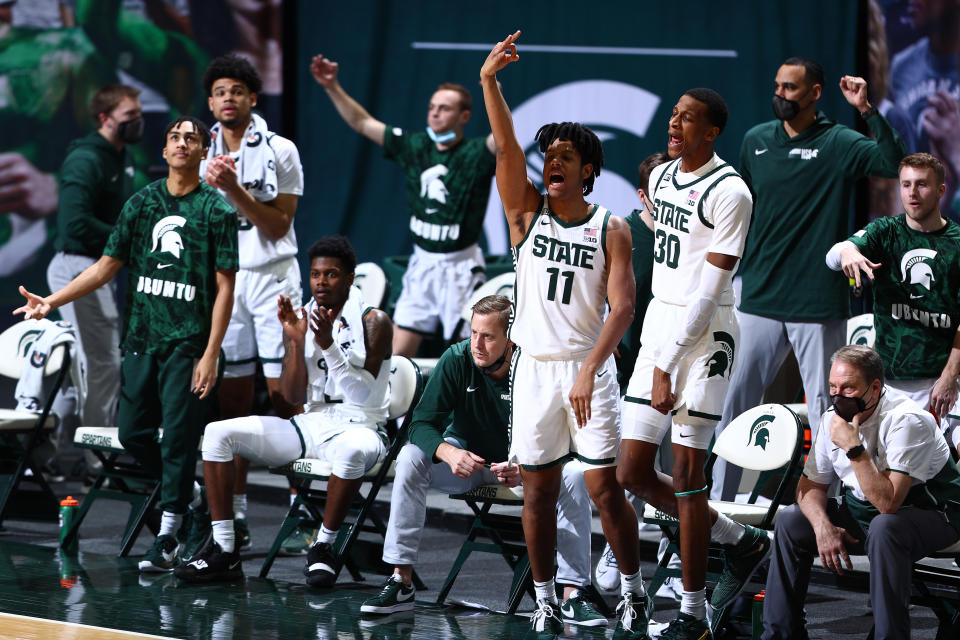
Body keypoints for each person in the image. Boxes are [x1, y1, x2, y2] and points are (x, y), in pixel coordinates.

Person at [15, 116, 239, 573]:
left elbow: (225, 288)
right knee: (134, 433)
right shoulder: (141, 204)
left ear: (202, 151)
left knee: (178, 440)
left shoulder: (217, 211)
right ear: (163, 151)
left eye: (191, 138)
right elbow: (104, 268)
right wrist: (51, 301)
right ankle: (191, 496)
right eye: (174, 137)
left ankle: (169, 536)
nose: (181, 144)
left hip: (187, 344)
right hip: (142, 339)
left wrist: (211, 352)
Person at [481, 31, 645, 640]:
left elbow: (623, 310)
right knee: (538, 492)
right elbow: (503, 149)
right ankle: (546, 598)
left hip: (589, 365)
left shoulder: (613, 228)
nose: (552, 160)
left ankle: (632, 593)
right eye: (548, 151)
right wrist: (490, 82)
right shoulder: (526, 214)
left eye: (565, 154)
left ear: (589, 170)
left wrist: (587, 370)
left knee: (605, 487)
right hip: (535, 369)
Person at [712, 57, 908, 503]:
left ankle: (827, 509)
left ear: (815, 93)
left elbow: (894, 162)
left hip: (817, 301)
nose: (781, 94)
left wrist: (866, 110)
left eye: (792, 88)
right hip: (758, 294)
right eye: (778, 86)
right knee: (734, 406)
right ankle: (716, 508)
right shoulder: (756, 140)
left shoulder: (839, 142)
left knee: (828, 412)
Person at [359, 295, 605, 627]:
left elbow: (574, 439)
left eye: (488, 336)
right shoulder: (457, 359)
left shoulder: (537, 366)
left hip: (531, 471)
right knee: (410, 458)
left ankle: (573, 594)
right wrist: (448, 452)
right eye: (474, 333)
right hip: (470, 465)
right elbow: (419, 424)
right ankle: (400, 580)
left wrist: (529, 467)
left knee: (574, 474)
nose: (477, 344)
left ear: (511, 338)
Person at [617, 87, 765, 639]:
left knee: (685, 476)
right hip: (661, 322)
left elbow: (707, 291)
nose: (674, 124)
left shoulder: (732, 192)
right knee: (630, 470)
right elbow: (676, 246)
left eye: (688, 119)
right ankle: (736, 538)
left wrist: (666, 363)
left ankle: (693, 612)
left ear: (712, 132)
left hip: (705, 335)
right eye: (674, 114)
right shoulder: (660, 177)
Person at [175, 236, 394, 587]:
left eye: (332, 274)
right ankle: (225, 550)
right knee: (218, 433)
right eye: (316, 274)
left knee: (352, 451)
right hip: (311, 422)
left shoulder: (375, 322)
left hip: (362, 426)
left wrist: (327, 346)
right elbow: (292, 393)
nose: (321, 282)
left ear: (351, 278)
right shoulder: (305, 317)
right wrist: (294, 340)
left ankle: (323, 547)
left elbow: (363, 394)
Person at [762, 345, 960, 640]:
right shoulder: (833, 417)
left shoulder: (906, 419)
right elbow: (809, 486)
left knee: (884, 527)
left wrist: (854, 449)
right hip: (868, 511)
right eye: (833, 387)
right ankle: (781, 634)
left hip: (937, 514)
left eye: (848, 388)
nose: (837, 396)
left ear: (875, 387)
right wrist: (822, 527)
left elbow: (888, 503)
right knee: (792, 521)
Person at [310, 52, 496, 357]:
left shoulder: (477, 152)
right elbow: (361, 121)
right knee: (394, 359)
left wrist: (491, 89)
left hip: (462, 267)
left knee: (472, 356)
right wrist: (332, 86)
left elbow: (504, 139)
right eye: (432, 107)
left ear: (464, 116)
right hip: (422, 266)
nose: (435, 114)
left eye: (445, 108)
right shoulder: (414, 145)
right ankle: (389, 406)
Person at [200, 53, 305, 552]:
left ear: (252, 99)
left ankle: (301, 507)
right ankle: (236, 512)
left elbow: (278, 225)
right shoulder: (199, 153)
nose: (228, 99)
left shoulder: (281, 149)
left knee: (283, 396)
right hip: (227, 282)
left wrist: (233, 188)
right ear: (210, 102)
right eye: (220, 92)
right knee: (232, 401)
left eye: (237, 91)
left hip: (273, 280)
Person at [826, 152, 960, 451]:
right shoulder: (886, 232)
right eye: (906, 184)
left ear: (941, 190)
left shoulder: (957, 243)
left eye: (922, 185)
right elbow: (833, 256)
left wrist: (950, 377)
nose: (912, 193)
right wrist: (847, 250)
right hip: (890, 380)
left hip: (945, 377)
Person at [45, 83, 142, 459]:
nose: (137, 122)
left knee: (85, 366)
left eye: (138, 114)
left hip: (97, 265)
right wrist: (129, 240)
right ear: (105, 118)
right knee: (102, 363)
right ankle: (95, 454)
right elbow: (74, 225)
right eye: (128, 116)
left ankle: (49, 451)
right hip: (78, 266)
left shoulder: (121, 155)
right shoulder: (86, 160)